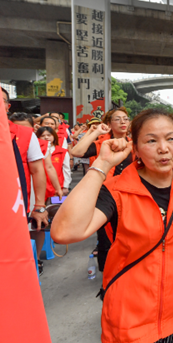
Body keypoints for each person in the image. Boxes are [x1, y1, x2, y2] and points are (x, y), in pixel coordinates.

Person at [51, 109, 173, 343]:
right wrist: (101, 165)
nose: (163, 148)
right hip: (130, 320)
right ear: (136, 148)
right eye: (151, 141)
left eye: (170, 138)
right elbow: (65, 232)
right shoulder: (116, 190)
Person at [71, 108, 132, 270]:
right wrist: (96, 131)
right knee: (105, 237)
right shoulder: (103, 143)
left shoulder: (135, 144)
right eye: (117, 119)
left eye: (125, 119)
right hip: (105, 197)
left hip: (130, 197)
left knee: (129, 236)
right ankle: (107, 277)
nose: (123, 122)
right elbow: (76, 152)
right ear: (109, 124)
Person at [2, 91, 48, 274]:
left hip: (19, 201)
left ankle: (33, 262)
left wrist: (39, 206)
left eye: (1, 100)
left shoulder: (25, 134)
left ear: (7, 106)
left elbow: (39, 170)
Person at [36, 126, 71, 198]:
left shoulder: (62, 151)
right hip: (39, 184)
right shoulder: (35, 152)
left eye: (49, 135)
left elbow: (66, 169)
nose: (46, 137)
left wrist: (65, 186)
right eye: (42, 135)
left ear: (54, 136)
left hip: (57, 185)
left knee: (54, 207)